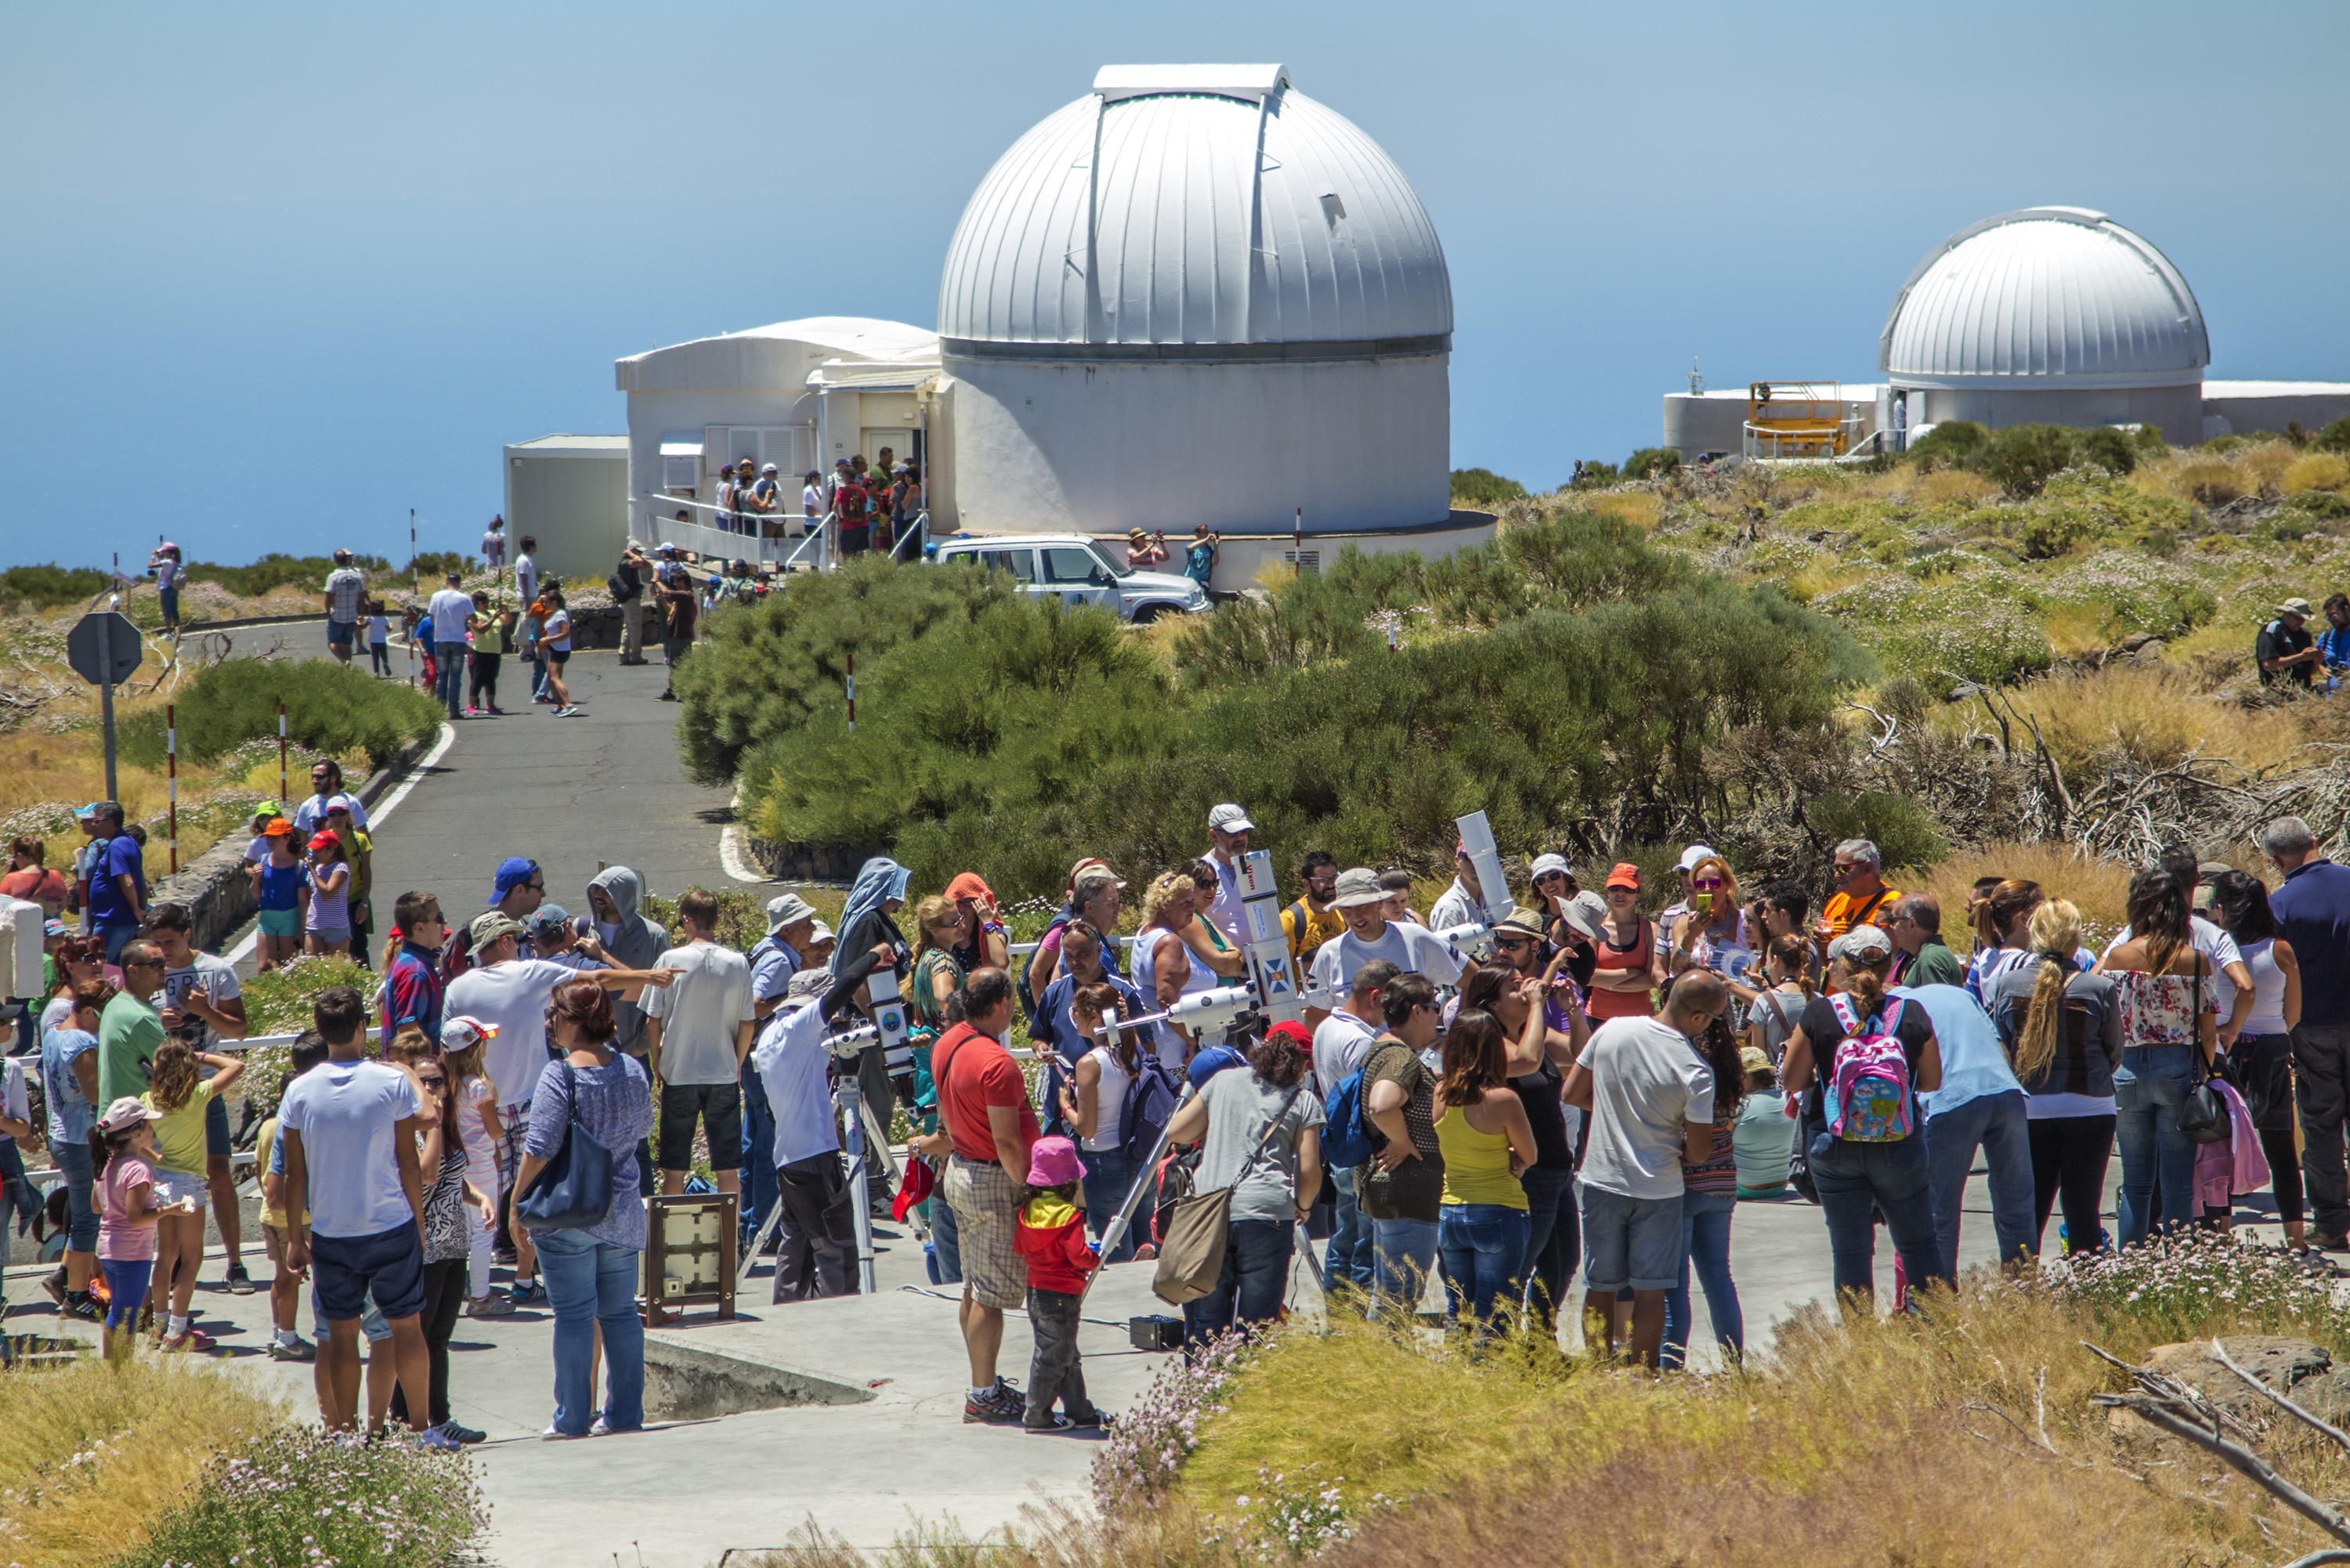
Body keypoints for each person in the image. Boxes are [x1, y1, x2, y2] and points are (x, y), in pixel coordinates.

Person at [444, 911, 673, 1308]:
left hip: (478, 1100)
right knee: (535, 1191)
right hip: (530, 1099)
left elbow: (450, 1049)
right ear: (502, 943)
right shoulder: (529, 973)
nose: (519, 945)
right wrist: (648, 977)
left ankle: (474, 1282)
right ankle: (524, 1279)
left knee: (477, 1195)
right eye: (515, 939)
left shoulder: (458, 989)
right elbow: (595, 981)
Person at [279, 987, 450, 1445]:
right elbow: (407, 1161)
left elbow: (295, 1174)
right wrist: (417, 1221)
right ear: (362, 1028)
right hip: (391, 1222)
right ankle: (420, 1430)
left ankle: (345, 1434)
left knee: (341, 1334)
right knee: (407, 1328)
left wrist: (296, 1235)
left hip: (333, 1230)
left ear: (321, 1031)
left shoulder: (298, 1090)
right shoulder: (390, 1082)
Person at [1779, 928, 1948, 1310]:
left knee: (1851, 1252)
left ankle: (1862, 1347)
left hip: (1834, 1147)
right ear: (1891, 966)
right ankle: (1938, 1334)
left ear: (1842, 966)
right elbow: (1933, 1081)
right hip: (1898, 1143)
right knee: (1919, 1244)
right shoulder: (1911, 1012)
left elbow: (1791, 1079)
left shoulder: (1821, 1012)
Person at [516, 981, 656, 1439]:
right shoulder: (633, 1070)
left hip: (569, 1211)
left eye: (555, 1012)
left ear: (575, 1019)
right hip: (622, 1208)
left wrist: (518, 1202)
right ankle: (624, 1415)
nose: (550, 1021)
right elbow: (642, 1130)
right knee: (620, 1314)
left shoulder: (559, 1075)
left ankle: (572, 1418)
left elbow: (539, 1148)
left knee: (574, 1315)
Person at [1564, 971, 1723, 1367]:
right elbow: (1700, 1153)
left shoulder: (1613, 1030)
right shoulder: (1696, 1070)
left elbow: (1572, 1093)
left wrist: (1619, 1113)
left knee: (1600, 1287)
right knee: (1651, 1293)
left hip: (1602, 1180)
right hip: (1658, 1190)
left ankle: (1598, 1376)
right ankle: (1642, 1382)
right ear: (1699, 1018)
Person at [919, 968, 1039, 1422]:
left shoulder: (948, 1043)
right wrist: (1033, 1188)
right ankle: (983, 1395)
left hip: (962, 1173)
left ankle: (983, 1384)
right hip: (992, 1182)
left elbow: (950, 1122)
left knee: (974, 1289)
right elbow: (1008, 1142)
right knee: (989, 1297)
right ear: (1002, 1005)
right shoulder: (997, 1063)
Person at [1162, 1021, 1325, 1342]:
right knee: (1258, 1325)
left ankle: (1203, 1388)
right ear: (1303, 1063)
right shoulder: (1303, 1100)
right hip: (1268, 1215)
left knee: (1207, 1321)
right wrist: (1302, 1207)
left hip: (1211, 1211)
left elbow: (1176, 1132)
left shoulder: (1222, 1081)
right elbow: (1309, 1172)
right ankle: (1248, 1388)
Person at [1463, 919, 1586, 1325]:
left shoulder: (1529, 1032)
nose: (1525, 988)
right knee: (1517, 1272)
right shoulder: (1491, 1042)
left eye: (1524, 983)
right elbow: (1527, 1061)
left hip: (1556, 1171)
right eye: (1514, 987)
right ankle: (1499, 1347)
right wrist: (1538, 1004)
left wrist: (1573, 1012)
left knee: (1562, 1263)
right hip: (1524, 1177)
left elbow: (1580, 1055)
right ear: (1493, 1004)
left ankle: (1539, 1340)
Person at [1984, 898, 2123, 1257]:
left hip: (2030, 1111)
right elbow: (2114, 1053)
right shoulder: (2098, 987)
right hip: (2091, 1108)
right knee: (2082, 1210)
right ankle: (2088, 1292)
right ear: (2076, 938)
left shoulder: (2007, 984)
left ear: (2033, 934)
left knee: (2029, 1209)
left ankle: (2019, 1290)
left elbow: (2000, 1047)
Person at [2095, 870, 2219, 1248]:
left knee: (2135, 1180)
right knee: (2177, 1179)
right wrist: (2206, 1072)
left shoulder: (2118, 956)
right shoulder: (2195, 961)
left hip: (2128, 1068)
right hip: (2178, 1068)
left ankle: (2131, 1262)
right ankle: (2180, 1264)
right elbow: (2208, 1031)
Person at [386, 1050, 494, 1445]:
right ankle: (403, 1418)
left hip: (453, 1245)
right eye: (424, 1081)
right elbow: (427, 1173)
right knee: (418, 1337)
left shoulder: (445, 1127)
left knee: (439, 1338)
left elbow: (452, 1177)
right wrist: (430, 1117)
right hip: (425, 1246)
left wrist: (478, 1197)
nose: (431, 1087)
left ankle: (439, 1416)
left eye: (437, 1081)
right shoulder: (415, 1127)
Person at [148, 903, 253, 1295]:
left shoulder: (217, 970)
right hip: (158, 1096)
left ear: (187, 934)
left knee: (220, 1173)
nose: (164, 952)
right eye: (156, 945)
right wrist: (157, 1024)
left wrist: (202, 1010)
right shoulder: (145, 972)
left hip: (205, 1091)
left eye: (170, 943)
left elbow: (239, 1030)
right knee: (164, 1177)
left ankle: (235, 1262)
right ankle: (172, 1262)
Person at [2207, 869, 2308, 1256]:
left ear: (2223, 907)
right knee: (2281, 1146)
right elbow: (2293, 1014)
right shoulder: (2279, 949)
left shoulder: (2217, 949)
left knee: (2224, 1143)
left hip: (2225, 1048)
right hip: (2272, 1048)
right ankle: (2296, 1240)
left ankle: (2221, 1235)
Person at [1904, 976, 2034, 1276]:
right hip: (2005, 1091)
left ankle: (1937, 1304)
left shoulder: (1898, 1006)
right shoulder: (1959, 994)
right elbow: (2001, 1049)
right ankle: (2024, 1292)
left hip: (1953, 1098)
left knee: (1940, 1210)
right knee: (2016, 1202)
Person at [2264, 817, 2350, 1250]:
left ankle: (2333, 1223)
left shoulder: (2280, 904)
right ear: (2316, 841)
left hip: (2311, 1025)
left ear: (2278, 860)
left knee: (2320, 1127)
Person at [645, 888, 758, 1198]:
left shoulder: (670, 959)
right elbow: (748, 1022)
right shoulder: (738, 962)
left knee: (674, 1168)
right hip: (722, 1071)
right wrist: (735, 1063)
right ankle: (731, 1240)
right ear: (717, 920)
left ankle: (671, 1240)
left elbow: (652, 1021)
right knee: (727, 1168)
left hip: (680, 1071)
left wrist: (658, 1064)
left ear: (686, 920)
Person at [1430, 1009, 1534, 1331]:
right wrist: (1515, 1157)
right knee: (1495, 1316)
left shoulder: (1439, 1093)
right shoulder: (1504, 1099)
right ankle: (1490, 1375)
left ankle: (1460, 1374)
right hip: (1499, 1210)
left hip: (1451, 1212)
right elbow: (1530, 1154)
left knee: (1459, 1311)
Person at [139, 1039, 244, 1350]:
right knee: (192, 1258)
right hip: (189, 1185)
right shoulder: (198, 1095)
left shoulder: (148, 1099)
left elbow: (142, 1142)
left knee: (166, 1256)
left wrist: (160, 1161)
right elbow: (236, 1065)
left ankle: (158, 1327)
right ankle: (177, 1330)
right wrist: (201, 1055)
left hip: (161, 1181)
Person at [1056, 980, 1165, 1266]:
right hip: (1140, 1158)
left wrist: (1065, 1106)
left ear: (1093, 1016)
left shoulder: (1089, 1063)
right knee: (1145, 1244)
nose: (1073, 1017)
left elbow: (1087, 1128)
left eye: (1076, 1011)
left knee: (1115, 1253)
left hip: (1105, 1164)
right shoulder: (1133, 1051)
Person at [1358, 973, 1447, 1313]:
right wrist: (1404, 1142)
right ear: (1416, 1012)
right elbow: (1382, 1105)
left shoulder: (1381, 1047)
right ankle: (1384, 1363)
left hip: (1392, 1190)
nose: (1437, 1015)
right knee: (1397, 1303)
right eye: (1434, 1007)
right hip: (1407, 1192)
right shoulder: (1400, 1057)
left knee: (1388, 1298)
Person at [1662, 1009, 1747, 1368]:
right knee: (1719, 1279)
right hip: (1722, 1183)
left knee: (1675, 1285)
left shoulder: (1684, 1067)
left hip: (1683, 1185)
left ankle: (1671, 1369)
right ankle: (1734, 1366)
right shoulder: (1730, 1071)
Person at [1012, 1135, 1108, 1432]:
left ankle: (1080, 1410)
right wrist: (1096, 1260)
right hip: (1062, 1294)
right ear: (1069, 1181)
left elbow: (1019, 1247)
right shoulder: (1069, 1216)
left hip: (1036, 1291)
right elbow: (1079, 1255)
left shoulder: (1027, 1210)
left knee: (1065, 1352)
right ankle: (1037, 1415)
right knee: (1051, 1358)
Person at [1313, 959, 1396, 1297]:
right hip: (1364, 1154)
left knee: (1344, 1238)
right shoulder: (1361, 1042)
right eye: (1388, 1005)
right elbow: (1375, 1106)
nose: (1390, 1016)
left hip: (1341, 1154)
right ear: (1374, 997)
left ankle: (1340, 1315)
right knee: (1366, 1246)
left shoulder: (1326, 1028)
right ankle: (1360, 1321)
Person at [92, 1097, 189, 1360]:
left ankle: (114, 1369)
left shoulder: (107, 1165)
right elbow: (135, 1217)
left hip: (108, 1249)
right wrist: (169, 1209)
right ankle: (121, 1373)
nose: (152, 1130)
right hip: (131, 1252)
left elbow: (97, 1206)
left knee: (117, 1311)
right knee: (128, 1315)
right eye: (148, 1126)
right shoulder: (138, 1170)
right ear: (137, 1134)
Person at [1303, 869, 1463, 1028]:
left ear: (1379, 904)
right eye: (1347, 909)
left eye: (1362, 906)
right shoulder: (1329, 954)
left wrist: (1456, 1034)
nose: (1355, 916)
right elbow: (1314, 1019)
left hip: (1415, 1053)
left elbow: (1474, 982)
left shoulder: (1417, 938)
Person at [255, 1034, 330, 1360]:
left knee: (281, 1278)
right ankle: (287, 1337)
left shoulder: (269, 1126)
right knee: (291, 1281)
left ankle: (278, 1333)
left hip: (272, 1219)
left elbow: (260, 1168)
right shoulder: (294, 1126)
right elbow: (280, 1185)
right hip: (294, 1219)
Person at [39, 978, 107, 1321]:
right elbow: (95, 1094)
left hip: (62, 1134)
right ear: (90, 1011)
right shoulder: (81, 1040)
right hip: (81, 1139)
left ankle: (63, 1276)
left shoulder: (53, 1035)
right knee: (87, 1220)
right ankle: (77, 1295)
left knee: (82, 1214)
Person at [1026, 863, 1126, 998]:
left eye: (1118, 902)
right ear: (1089, 907)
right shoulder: (1088, 947)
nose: (1118, 908)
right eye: (1111, 903)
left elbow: (1056, 985)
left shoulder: (1079, 934)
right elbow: (1098, 1002)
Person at [1585, 864, 1665, 1026]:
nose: (1620, 894)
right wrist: (1633, 972)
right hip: (1597, 1018)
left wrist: (1608, 984)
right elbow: (1588, 976)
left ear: (1638, 895)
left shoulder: (1651, 931)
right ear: (1607, 891)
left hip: (1640, 1020)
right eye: (1615, 888)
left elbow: (1652, 979)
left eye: (1628, 890)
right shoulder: (1593, 928)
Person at [1813, 840, 1901, 981]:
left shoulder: (1892, 904)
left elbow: (1891, 956)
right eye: (1835, 868)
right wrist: (1821, 946)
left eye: (1843, 869)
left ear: (1867, 868)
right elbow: (1828, 962)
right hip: (1836, 995)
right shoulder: (1837, 901)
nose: (1837, 875)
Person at [1665, 854, 1753, 987]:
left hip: (1737, 1002)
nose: (1707, 889)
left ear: (1727, 884)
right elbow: (1676, 969)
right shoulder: (1683, 923)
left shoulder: (1745, 922)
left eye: (1714, 883)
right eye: (1700, 884)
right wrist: (1691, 935)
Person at [98, 941, 167, 1105]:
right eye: (156, 964)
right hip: (137, 1123)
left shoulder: (116, 1004)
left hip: (115, 1119)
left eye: (164, 963)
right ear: (133, 971)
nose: (165, 969)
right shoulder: (141, 1017)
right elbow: (176, 1073)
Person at [381, 890, 449, 1046]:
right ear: (419, 928)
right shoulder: (415, 973)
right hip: (419, 1068)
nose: (445, 921)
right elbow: (408, 1037)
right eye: (439, 918)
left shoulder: (410, 961)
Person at [84, 802, 146, 964]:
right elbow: (142, 881)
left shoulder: (118, 845)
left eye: (97, 821)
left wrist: (137, 910)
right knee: (116, 968)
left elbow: (127, 881)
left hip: (114, 920)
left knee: (101, 967)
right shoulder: (128, 842)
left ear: (110, 822)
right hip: (119, 919)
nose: (94, 825)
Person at [1732, 1046, 1794, 1197]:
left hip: (1742, 1187)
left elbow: (1719, 1143)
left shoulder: (1740, 1105)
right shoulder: (1788, 1101)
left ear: (1744, 1077)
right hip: (1780, 1185)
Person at [1744, 933, 1813, 1066]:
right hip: (1810, 1083)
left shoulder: (1764, 1001)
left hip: (1778, 1083)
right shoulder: (1817, 999)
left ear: (1775, 960)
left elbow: (1758, 1060)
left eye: (1767, 960)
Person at [1198, 805, 1253, 943]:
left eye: (1244, 832)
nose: (1240, 838)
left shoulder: (1256, 865)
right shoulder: (1200, 872)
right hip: (1224, 961)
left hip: (1260, 959)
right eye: (1232, 834)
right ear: (1214, 836)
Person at [1887, 895, 1966, 988]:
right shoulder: (1926, 955)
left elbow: (1935, 1000)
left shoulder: (1930, 959)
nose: (1891, 927)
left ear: (1911, 925)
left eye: (1894, 921)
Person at [425, 569, 472, 722]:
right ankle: (454, 709)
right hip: (458, 639)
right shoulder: (464, 598)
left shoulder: (436, 596)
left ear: (447, 582)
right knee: (455, 676)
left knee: (442, 675)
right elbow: (473, 617)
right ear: (459, 583)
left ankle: (439, 709)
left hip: (441, 639)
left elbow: (431, 618)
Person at [299, 828, 353, 959]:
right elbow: (313, 896)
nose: (313, 854)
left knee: (335, 971)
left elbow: (327, 893)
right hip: (314, 925)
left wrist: (312, 871)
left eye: (318, 850)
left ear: (331, 851)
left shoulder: (341, 868)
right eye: (313, 850)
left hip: (335, 926)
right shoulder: (316, 868)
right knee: (313, 969)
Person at [656, 548, 698, 701]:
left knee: (677, 665)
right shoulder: (681, 599)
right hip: (677, 634)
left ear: (682, 582)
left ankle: (679, 691)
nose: (674, 584)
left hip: (681, 635)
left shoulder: (686, 595)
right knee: (677, 664)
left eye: (676, 582)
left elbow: (667, 591)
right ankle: (672, 690)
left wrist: (657, 581)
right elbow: (670, 611)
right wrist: (662, 600)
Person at [292, 760, 370, 839]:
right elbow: (301, 841)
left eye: (320, 777)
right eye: (313, 777)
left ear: (333, 778)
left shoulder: (351, 803)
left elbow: (364, 838)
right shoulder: (307, 806)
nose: (315, 781)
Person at [1428, 841, 1492, 935]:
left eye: (1480, 858)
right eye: (1468, 858)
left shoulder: (1492, 899)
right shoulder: (1449, 907)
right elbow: (1446, 948)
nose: (1475, 863)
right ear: (1457, 861)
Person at [2258, 598, 2320, 688]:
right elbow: (2269, 665)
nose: (2301, 622)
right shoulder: (2273, 631)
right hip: (2279, 691)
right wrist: (2301, 657)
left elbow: (2309, 671)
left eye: (2303, 619)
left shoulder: (2304, 634)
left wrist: (2316, 662)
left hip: (2303, 691)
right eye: (2297, 618)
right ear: (2287, 614)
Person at [323, 550, 367, 667]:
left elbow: (329, 597)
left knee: (333, 643)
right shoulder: (356, 576)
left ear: (336, 561)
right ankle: (348, 667)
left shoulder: (333, 577)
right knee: (347, 643)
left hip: (337, 615)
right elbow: (361, 596)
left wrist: (327, 611)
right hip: (352, 615)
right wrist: (361, 613)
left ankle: (343, 661)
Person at [465, 591, 507, 714]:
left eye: (487, 601)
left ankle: (491, 705)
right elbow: (481, 630)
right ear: (476, 604)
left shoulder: (493, 613)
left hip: (495, 650)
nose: (486, 604)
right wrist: (493, 619)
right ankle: (471, 705)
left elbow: (507, 621)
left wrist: (505, 609)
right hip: (481, 650)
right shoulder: (474, 616)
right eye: (483, 602)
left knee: (491, 678)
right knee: (478, 678)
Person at [3, 836, 69, 913]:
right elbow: (63, 903)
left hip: (25, 925)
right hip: (52, 924)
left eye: (15, 856)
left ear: (21, 856)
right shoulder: (55, 875)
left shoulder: (11, 879)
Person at [540, 586, 579, 717]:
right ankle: (560, 705)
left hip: (560, 650)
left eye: (547, 602)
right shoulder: (555, 614)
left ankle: (568, 705)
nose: (544, 604)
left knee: (555, 678)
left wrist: (549, 640)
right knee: (551, 679)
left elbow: (566, 633)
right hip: (555, 649)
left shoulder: (560, 614)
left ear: (554, 602)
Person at [2316, 594, 2350, 692]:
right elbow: (2315, 659)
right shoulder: (2327, 636)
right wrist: (2322, 669)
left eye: (2334, 615)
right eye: (2329, 616)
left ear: (2346, 610)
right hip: (2333, 700)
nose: (2332, 619)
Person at [149, 542, 183, 635]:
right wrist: (160, 557)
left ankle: (169, 632)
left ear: (168, 552)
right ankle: (176, 632)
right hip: (174, 587)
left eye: (163, 552)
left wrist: (153, 556)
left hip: (166, 587)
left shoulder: (167, 562)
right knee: (174, 610)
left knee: (167, 610)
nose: (162, 553)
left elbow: (151, 566)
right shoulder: (175, 562)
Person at [1184, 524, 1218, 591]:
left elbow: (1215, 563)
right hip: (1190, 579)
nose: (1207, 535)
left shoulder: (1209, 549)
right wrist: (1206, 539)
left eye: (1207, 533)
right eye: (1204, 533)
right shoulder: (1192, 546)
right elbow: (1190, 548)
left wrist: (1216, 547)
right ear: (1197, 534)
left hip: (1203, 581)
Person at [515, 533, 539, 612]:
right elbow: (523, 580)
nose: (536, 546)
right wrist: (526, 600)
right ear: (531, 547)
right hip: (528, 597)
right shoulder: (524, 560)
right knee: (527, 622)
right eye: (535, 545)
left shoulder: (528, 559)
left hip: (531, 595)